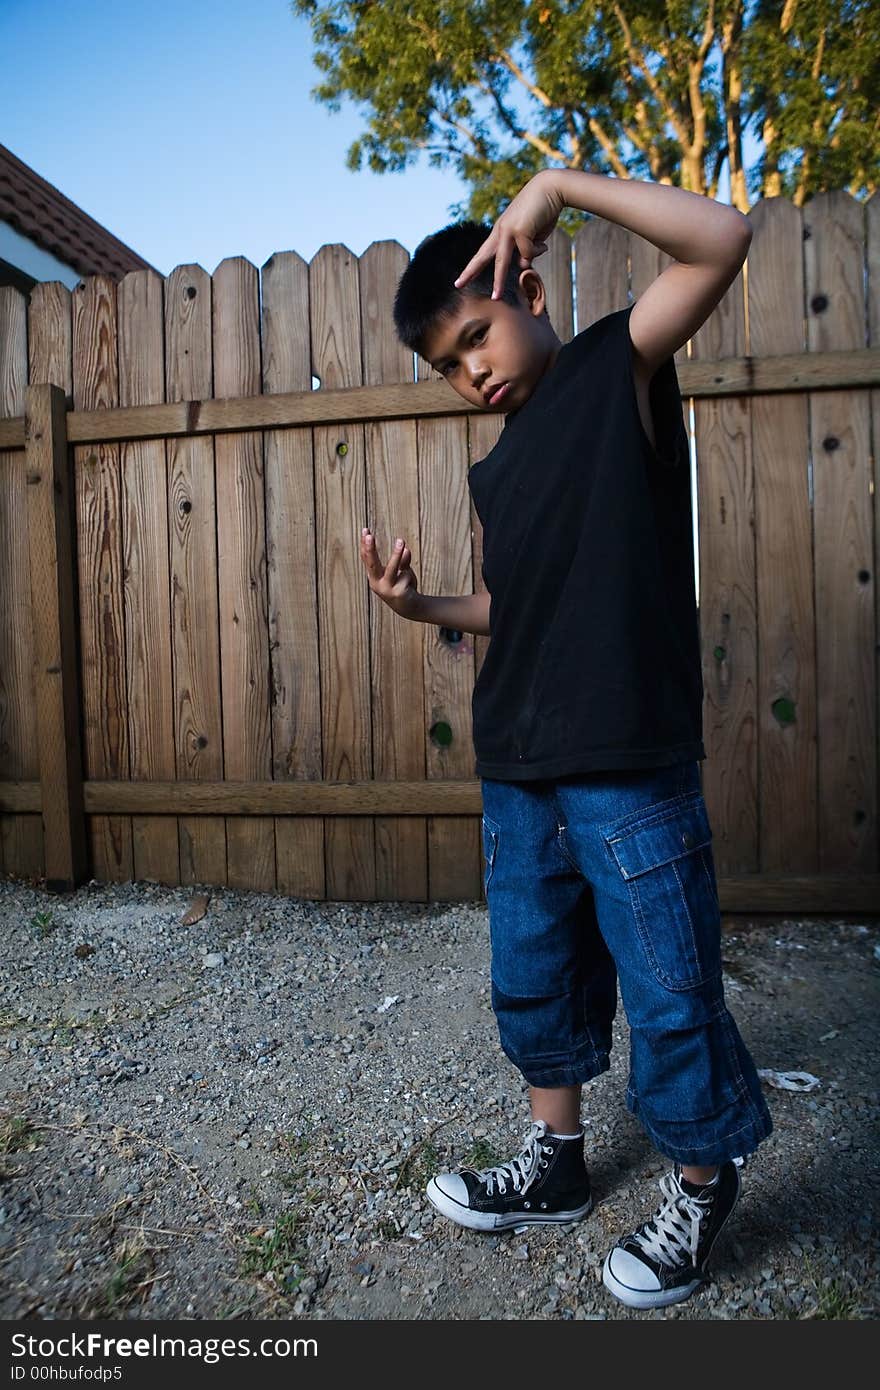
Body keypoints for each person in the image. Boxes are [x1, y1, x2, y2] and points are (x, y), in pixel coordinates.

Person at [359, 168, 772, 1311]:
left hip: (626, 766)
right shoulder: (495, 468)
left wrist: (550, 187)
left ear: (524, 288)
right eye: (447, 366)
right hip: (518, 770)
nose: (470, 372)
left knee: (667, 982)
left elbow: (722, 237)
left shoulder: (611, 369)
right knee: (534, 976)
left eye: (476, 337)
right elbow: (515, 605)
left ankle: (700, 1178)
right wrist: (420, 608)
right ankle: (558, 1162)